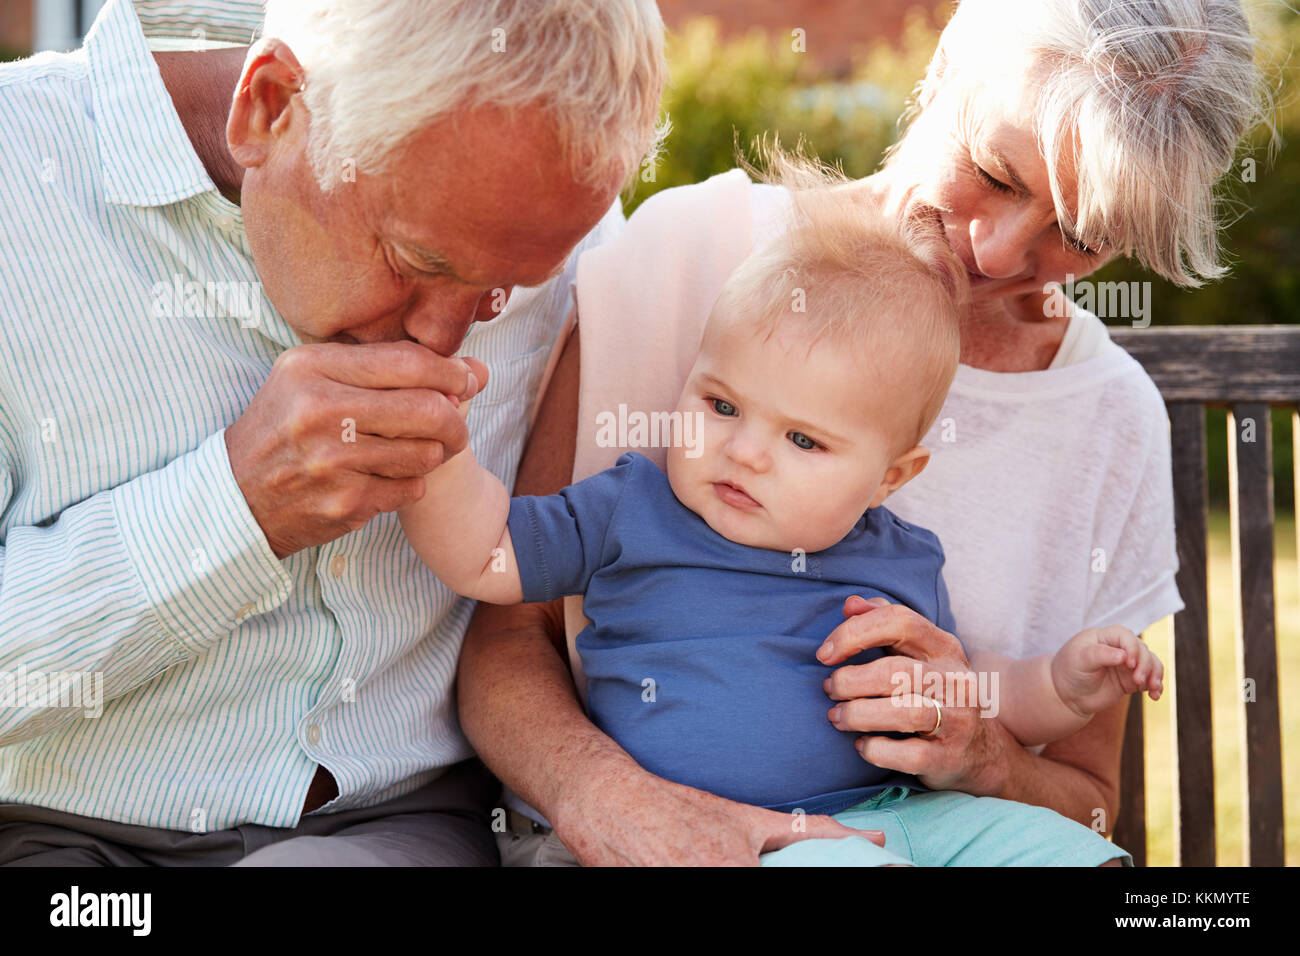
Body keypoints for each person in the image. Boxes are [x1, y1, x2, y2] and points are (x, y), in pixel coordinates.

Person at [456, 0, 1271, 865]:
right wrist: (612, 798)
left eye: (1080, 235)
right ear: (951, 58)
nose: (996, 253)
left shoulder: (1108, 417)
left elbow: (1091, 807)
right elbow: (509, 636)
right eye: (995, 171)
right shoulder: (691, 257)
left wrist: (984, 756)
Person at [0, 0, 665, 866]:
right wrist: (239, 505)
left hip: (403, 831)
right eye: (418, 265)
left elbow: (565, 604)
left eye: (503, 294)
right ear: (269, 106)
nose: (443, 339)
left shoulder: (556, 221)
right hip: (48, 831)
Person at [402, 175, 1164, 866]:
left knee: (1067, 855)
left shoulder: (898, 557)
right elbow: (488, 556)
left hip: (900, 816)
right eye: (721, 404)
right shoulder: (632, 508)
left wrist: (1062, 685)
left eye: (802, 439)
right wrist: (436, 452)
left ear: (889, 479)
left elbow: (973, 684)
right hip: (712, 834)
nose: (745, 452)